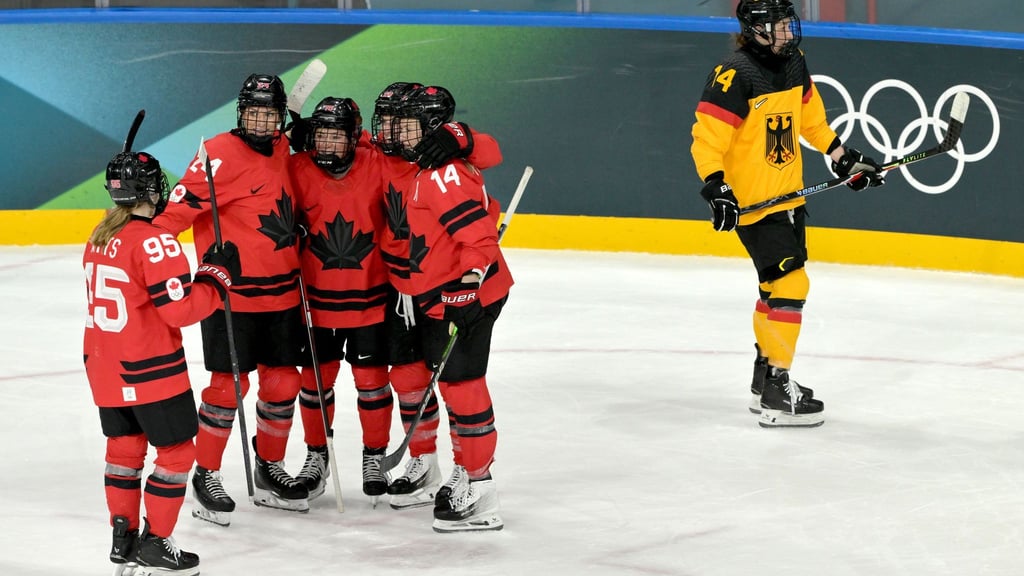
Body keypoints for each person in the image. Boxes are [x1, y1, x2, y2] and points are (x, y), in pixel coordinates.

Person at [690, 0, 885, 428]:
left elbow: (811, 124)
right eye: (778, 24)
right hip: (756, 207)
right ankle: (779, 385)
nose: (787, 30)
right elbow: (706, 140)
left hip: (790, 200)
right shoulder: (735, 74)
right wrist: (717, 187)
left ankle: (765, 377)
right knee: (792, 282)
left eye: (786, 22)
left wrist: (843, 157)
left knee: (772, 288)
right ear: (756, 29)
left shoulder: (795, 63)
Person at [154, 73, 310, 524]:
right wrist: (146, 259)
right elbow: (175, 216)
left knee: (283, 383)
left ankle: (269, 468)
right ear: (240, 113)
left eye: (271, 114)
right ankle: (206, 473)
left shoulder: (284, 147)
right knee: (229, 388)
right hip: (231, 298)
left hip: (282, 293)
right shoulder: (217, 154)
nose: (262, 122)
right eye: (253, 112)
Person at [84, 149, 239, 575]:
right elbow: (180, 311)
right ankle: (157, 543)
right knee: (174, 453)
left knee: (124, 449)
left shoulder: (99, 235)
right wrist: (217, 278)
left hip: (104, 367)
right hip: (149, 368)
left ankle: (123, 537)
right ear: (151, 190)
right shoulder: (155, 241)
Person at [371, 82, 506, 513]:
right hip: (415, 289)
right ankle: (426, 464)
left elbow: (479, 238)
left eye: (403, 125)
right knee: (413, 379)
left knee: (461, 386)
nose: (392, 133)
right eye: (388, 122)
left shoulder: (442, 169)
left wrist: (469, 285)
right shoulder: (385, 156)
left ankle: (476, 480)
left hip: (457, 292)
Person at [287, 96, 394, 505]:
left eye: (339, 135)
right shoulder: (296, 167)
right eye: (322, 135)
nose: (329, 144)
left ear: (355, 137)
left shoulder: (376, 162)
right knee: (314, 381)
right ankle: (317, 455)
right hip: (315, 300)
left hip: (371, 296)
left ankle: (375, 456)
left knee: (371, 382)